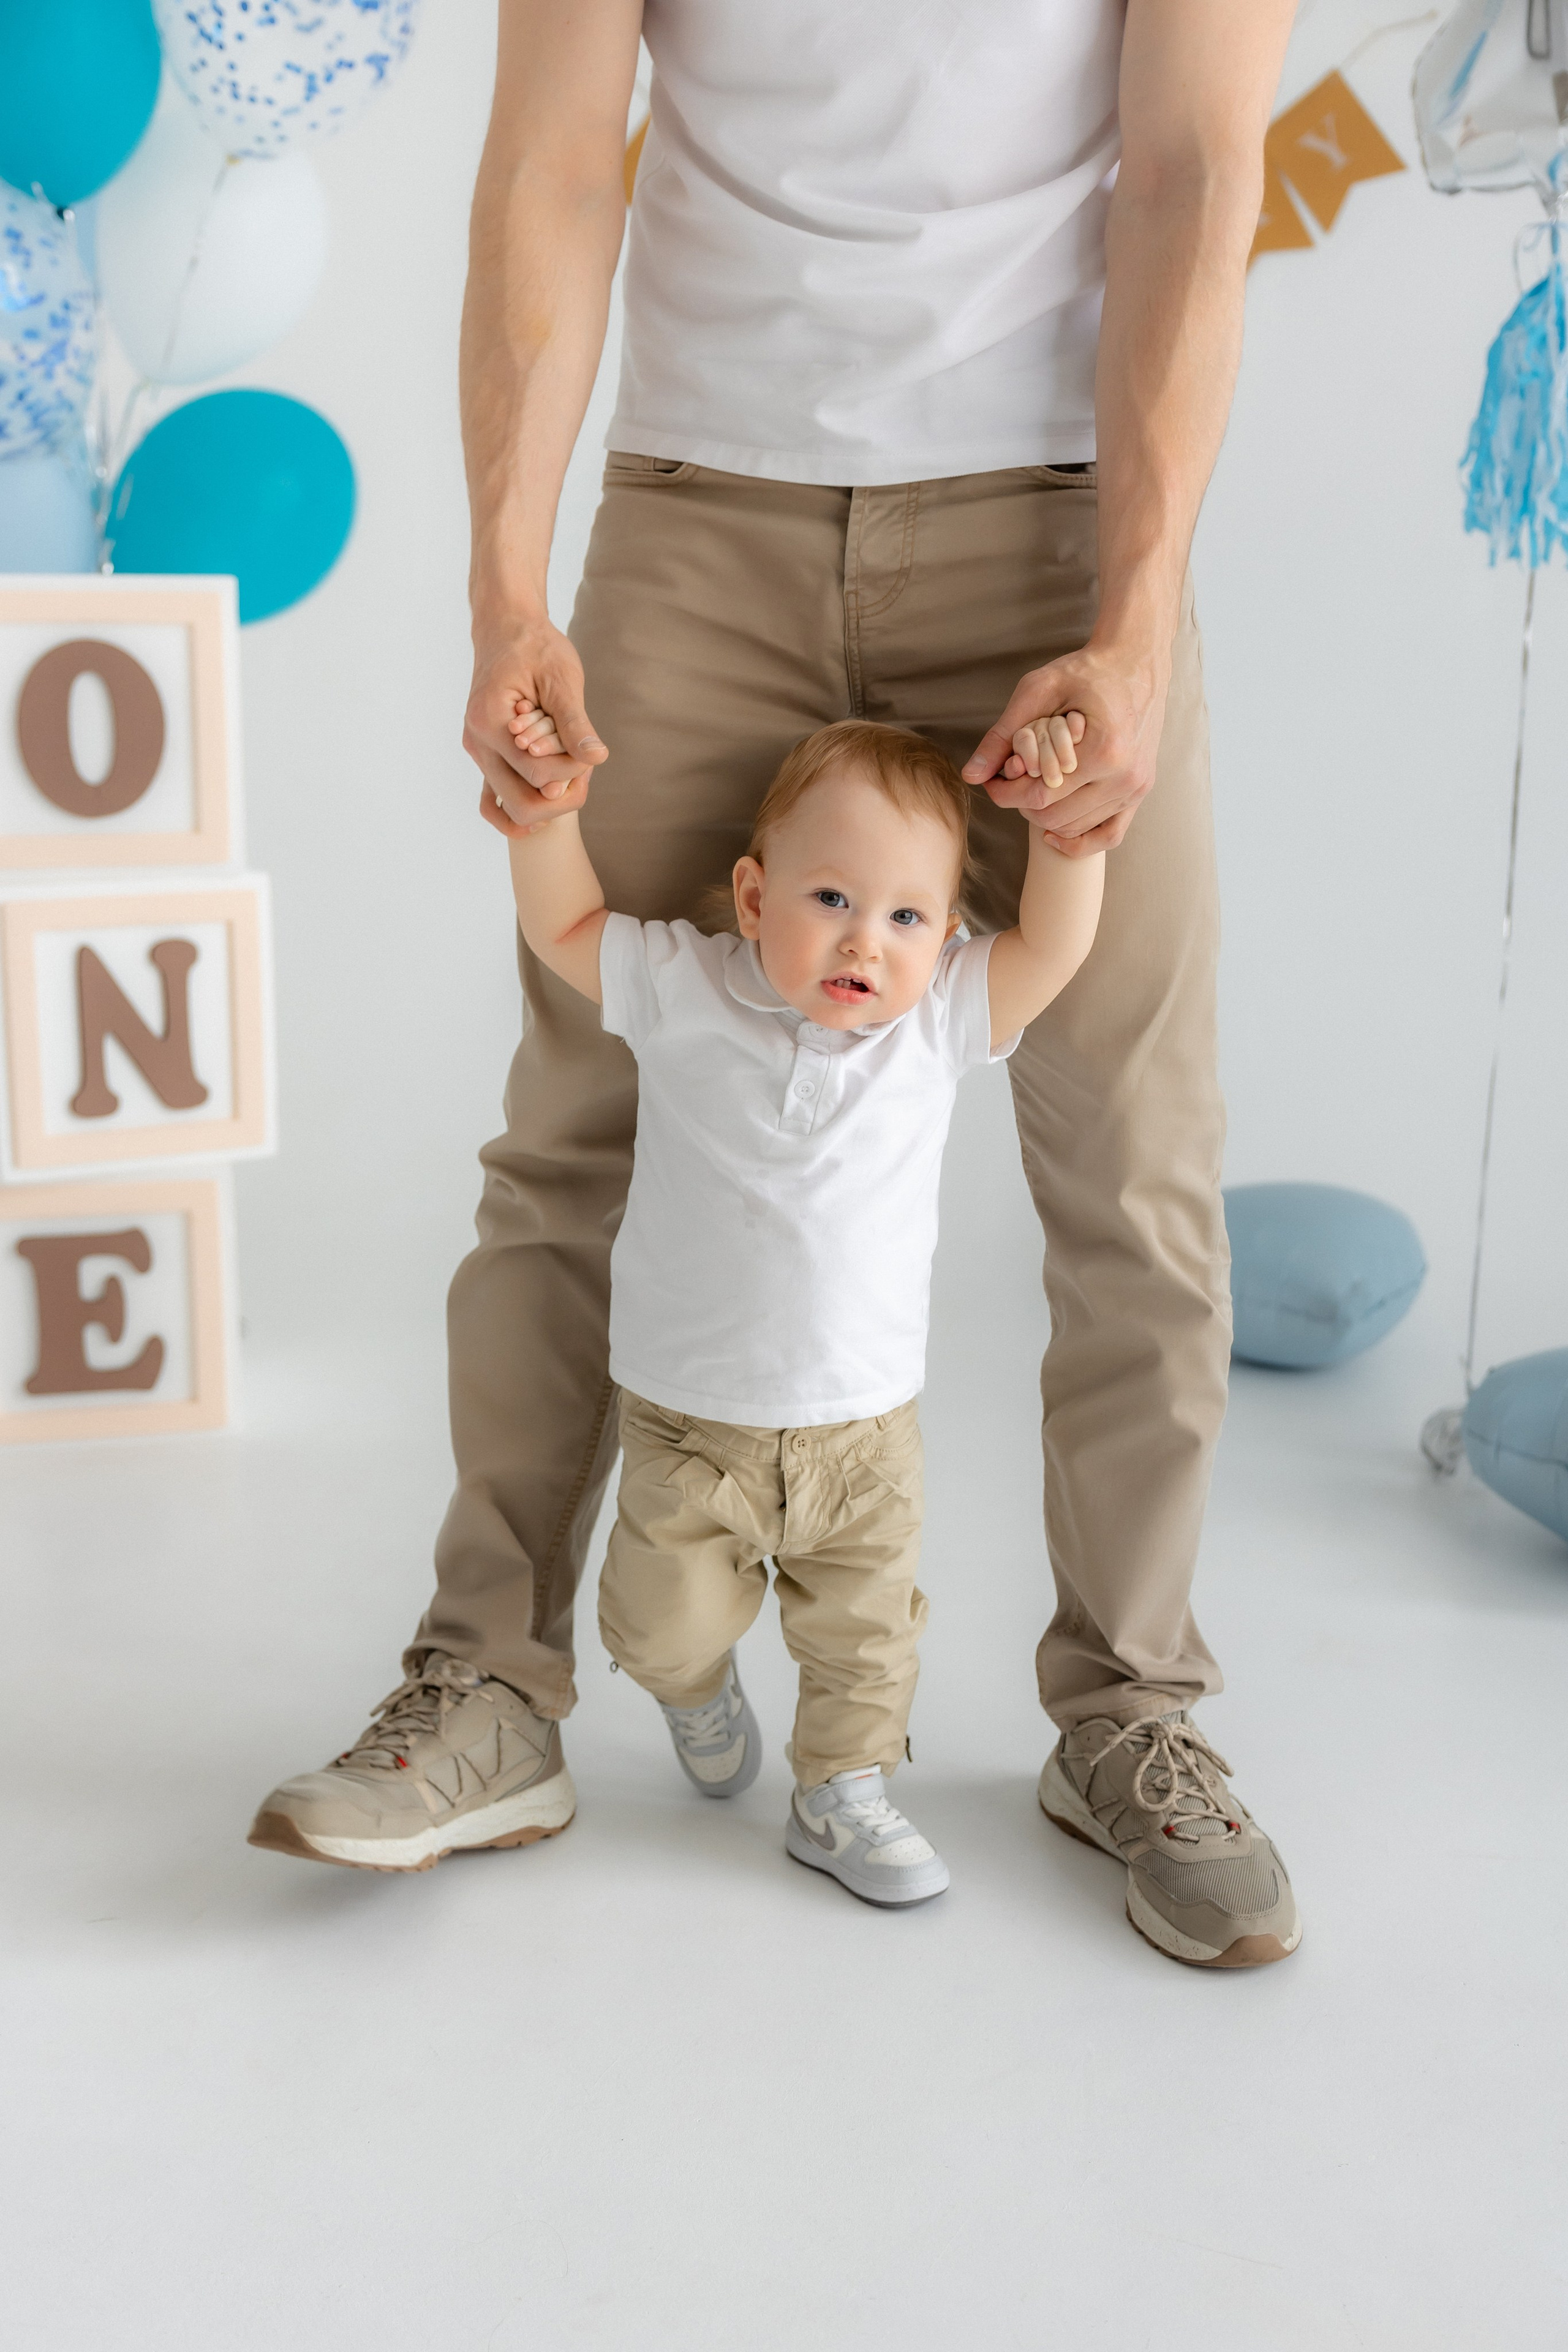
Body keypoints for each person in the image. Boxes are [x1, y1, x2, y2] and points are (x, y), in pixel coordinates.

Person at [251, 0, 1305, 1967]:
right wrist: (507, 582)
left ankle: (1132, 1712)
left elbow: (1190, 167)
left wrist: (1139, 622)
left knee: (1133, 1164)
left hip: (1055, 525)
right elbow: (560, 153)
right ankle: (488, 1681)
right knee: (574, 1136)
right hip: (695, 515)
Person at [503, 715, 1102, 1906]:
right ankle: (692, 1689)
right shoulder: (686, 986)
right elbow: (563, 926)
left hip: (863, 1429)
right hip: (687, 1418)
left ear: (942, 935)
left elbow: (1055, 946)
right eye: (830, 897)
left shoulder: (936, 1021)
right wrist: (545, 811)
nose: (864, 942)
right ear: (751, 893)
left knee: (865, 1644)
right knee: (652, 1623)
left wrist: (1064, 824)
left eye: (906, 917)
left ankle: (842, 1794)